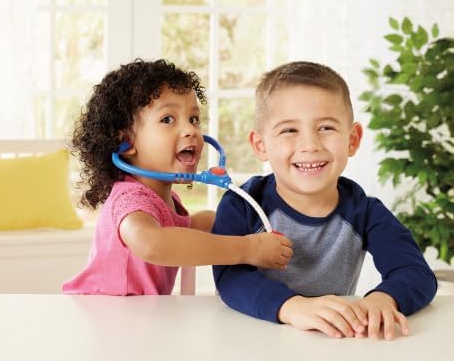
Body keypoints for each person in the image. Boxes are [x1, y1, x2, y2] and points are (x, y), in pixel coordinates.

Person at [212, 61, 437, 340]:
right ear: (261, 145)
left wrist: (384, 299)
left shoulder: (366, 213)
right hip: (252, 339)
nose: (310, 145)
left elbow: (415, 272)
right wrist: (292, 307)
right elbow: (229, 277)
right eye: (289, 130)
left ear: (352, 140)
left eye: (326, 127)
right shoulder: (241, 206)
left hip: (333, 343)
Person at [62, 59, 292, 296]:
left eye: (193, 119)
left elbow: (185, 228)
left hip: (133, 313)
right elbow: (152, 243)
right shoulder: (129, 199)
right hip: (101, 310)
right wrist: (247, 249)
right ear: (126, 142)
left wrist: (236, 221)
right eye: (167, 119)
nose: (191, 129)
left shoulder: (165, 199)